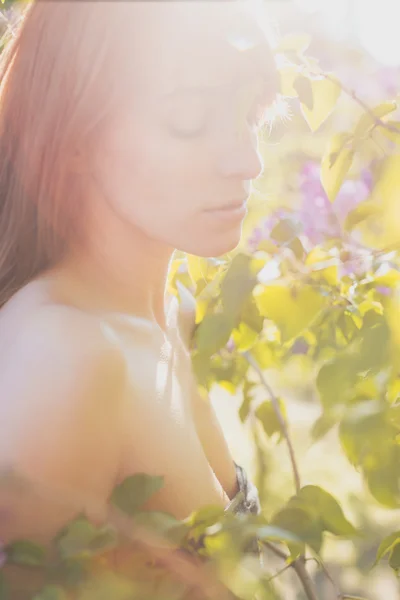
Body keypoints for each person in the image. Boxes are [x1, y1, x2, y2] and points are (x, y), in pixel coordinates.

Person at [0, 0, 279, 549]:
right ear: (75, 136)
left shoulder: (172, 310)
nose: (249, 162)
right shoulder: (65, 359)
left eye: (250, 118)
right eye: (189, 120)